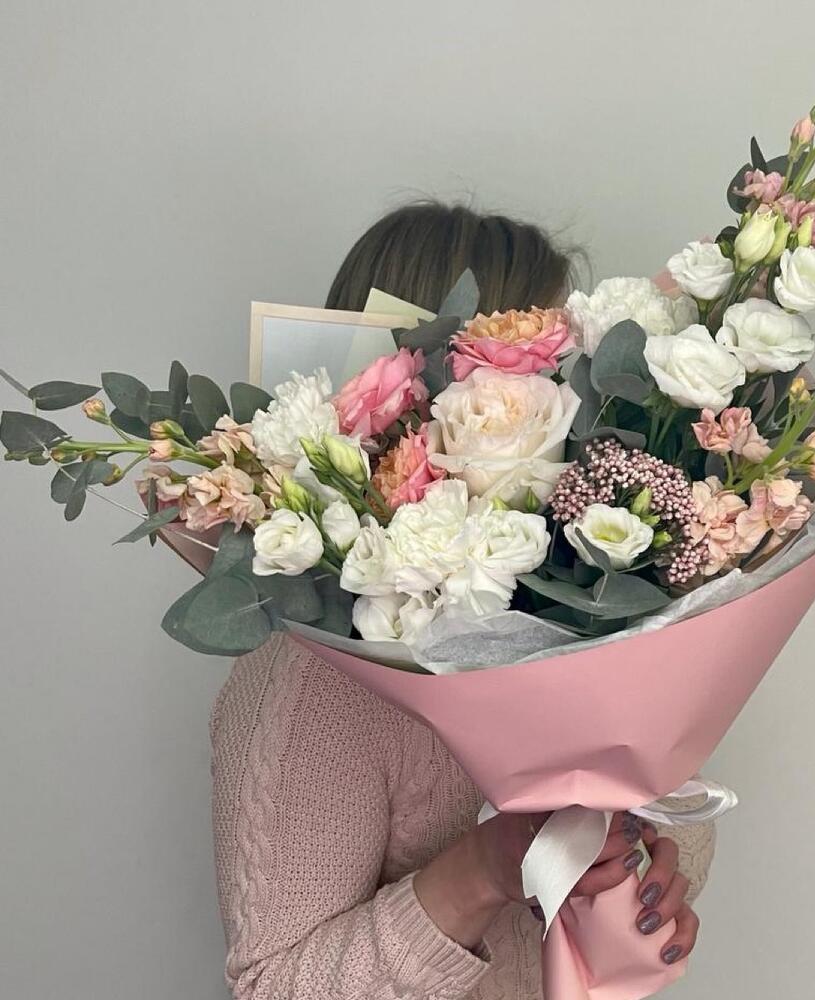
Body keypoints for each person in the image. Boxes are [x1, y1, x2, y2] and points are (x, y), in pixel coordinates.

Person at [211, 202, 716, 999]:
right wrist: (483, 871)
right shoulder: (312, 684)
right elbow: (276, 987)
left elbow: (667, 822)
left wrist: (635, 873)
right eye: (552, 367)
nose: (577, 401)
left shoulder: (592, 609)